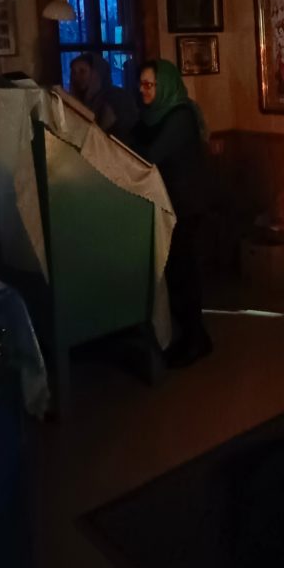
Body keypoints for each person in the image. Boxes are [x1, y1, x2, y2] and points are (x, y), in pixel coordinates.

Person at [129, 59, 212, 368]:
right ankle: (193, 336)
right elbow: (131, 139)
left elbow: (149, 154)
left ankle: (194, 339)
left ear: (164, 86)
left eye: (149, 85)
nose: (143, 90)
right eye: (141, 84)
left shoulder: (180, 116)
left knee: (183, 272)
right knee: (175, 271)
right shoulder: (151, 115)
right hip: (167, 203)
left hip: (186, 205)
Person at [69, 52, 138, 142]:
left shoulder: (116, 98)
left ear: (96, 74)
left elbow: (101, 136)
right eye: (74, 72)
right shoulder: (81, 101)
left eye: (82, 71)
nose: (76, 77)